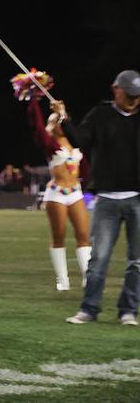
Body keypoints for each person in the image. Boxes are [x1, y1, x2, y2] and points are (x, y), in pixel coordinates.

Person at [59, 69, 140, 326]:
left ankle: (128, 311)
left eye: (136, 96)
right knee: (99, 259)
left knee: (136, 262)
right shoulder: (101, 113)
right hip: (106, 198)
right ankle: (89, 309)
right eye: (129, 94)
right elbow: (81, 140)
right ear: (116, 89)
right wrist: (64, 119)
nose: (133, 100)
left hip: (138, 198)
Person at [12, 70, 92, 291]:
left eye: (56, 119)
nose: (54, 120)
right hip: (56, 193)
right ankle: (62, 280)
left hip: (75, 192)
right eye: (51, 119)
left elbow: (86, 164)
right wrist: (35, 98)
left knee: (84, 235)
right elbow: (36, 124)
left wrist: (61, 113)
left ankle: (88, 278)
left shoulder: (75, 143)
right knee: (59, 236)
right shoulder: (50, 145)